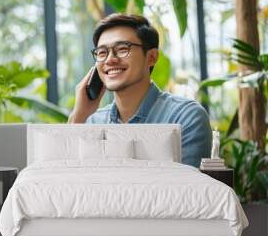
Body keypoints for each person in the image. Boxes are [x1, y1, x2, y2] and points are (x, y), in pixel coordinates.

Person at [68, 13, 211, 167]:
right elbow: (66, 183)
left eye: (122, 49)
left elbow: (190, 188)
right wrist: (79, 116)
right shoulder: (93, 122)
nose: (110, 59)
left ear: (151, 57)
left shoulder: (185, 117)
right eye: (102, 53)